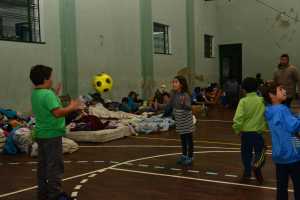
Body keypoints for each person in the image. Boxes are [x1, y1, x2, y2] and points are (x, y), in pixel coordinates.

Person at [30, 65, 81, 200]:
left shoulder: (36, 93)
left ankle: (43, 193)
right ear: (45, 79)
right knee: (55, 167)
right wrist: (72, 106)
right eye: (50, 78)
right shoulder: (47, 94)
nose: (52, 81)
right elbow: (57, 113)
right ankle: (55, 195)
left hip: (41, 134)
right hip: (52, 135)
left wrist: (55, 94)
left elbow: (47, 106)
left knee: (43, 166)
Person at [262, 82, 300, 200]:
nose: (284, 91)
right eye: (281, 89)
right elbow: (293, 127)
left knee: (281, 187)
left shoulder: (270, 111)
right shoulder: (282, 109)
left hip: (279, 156)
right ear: (271, 95)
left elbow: (286, 125)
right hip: (292, 154)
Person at [232, 77, 267, 184]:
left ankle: (247, 171)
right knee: (260, 152)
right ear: (257, 88)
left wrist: (237, 130)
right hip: (258, 133)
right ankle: (257, 166)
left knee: (246, 153)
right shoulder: (262, 100)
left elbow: (238, 118)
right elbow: (267, 114)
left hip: (246, 133)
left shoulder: (243, 101)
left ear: (243, 89)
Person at [168, 75, 194, 165]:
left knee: (189, 139)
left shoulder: (185, 94)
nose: (173, 84)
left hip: (186, 119)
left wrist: (184, 104)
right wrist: (159, 105)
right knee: (182, 138)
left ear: (181, 84)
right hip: (179, 119)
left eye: (176, 82)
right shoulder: (173, 94)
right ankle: (184, 155)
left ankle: (190, 157)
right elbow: (170, 104)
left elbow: (189, 108)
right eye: (173, 82)